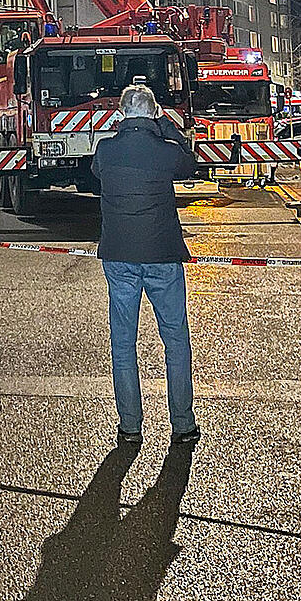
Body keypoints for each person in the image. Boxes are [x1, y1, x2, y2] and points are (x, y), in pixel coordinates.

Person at [92, 83, 200, 451]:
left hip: (119, 257)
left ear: (121, 114)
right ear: (153, 113)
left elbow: (96, 174)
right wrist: (167, 126)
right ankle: (182, 425)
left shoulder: (105, 150)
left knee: (123, 344)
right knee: (175, 339)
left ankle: (130, 427)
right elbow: (190, 163)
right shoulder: (165, 152)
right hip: (163, 256)